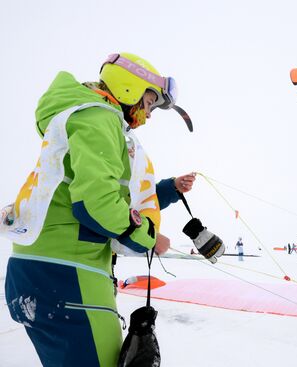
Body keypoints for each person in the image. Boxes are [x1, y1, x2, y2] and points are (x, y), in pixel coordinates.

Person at [2, 52, 205, 367]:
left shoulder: (82, 116)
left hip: (36, 273)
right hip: (70, 277)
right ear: (129, 88)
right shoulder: (100, 117)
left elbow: (109, 195)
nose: (149, 115)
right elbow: (95, 204)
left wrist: (169, 189)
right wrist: (151, 238)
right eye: (150, 103)